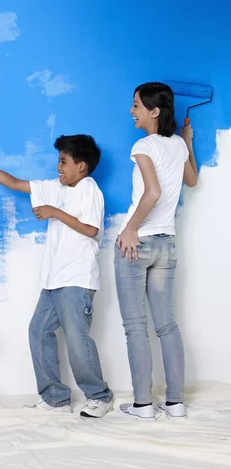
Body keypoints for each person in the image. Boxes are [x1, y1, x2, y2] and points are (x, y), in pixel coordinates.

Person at [0, 135, 113, 417]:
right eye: (58, 161)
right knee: (38, 331)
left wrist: (55, 212)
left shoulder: (89, 189)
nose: (58, 168)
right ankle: (55, 398)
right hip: (53, 280)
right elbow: (15, 182)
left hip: (76, 279)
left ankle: (99, 396)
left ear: (82, 166)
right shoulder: (55, 187)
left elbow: (91, 230)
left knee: (78, 339)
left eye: (64, 162)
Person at [115, 82, 197, 420]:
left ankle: (143, 406)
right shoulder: (178, 144)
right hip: (166, 244)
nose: (131, 111)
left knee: (136, 327)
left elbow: (152, 192)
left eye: (136, 105)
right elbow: (191, 180)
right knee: (167, 326)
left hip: (139, 243)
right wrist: (189, 142)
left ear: (154, 111)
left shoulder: (144, 145)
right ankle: (175, 403)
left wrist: (130, 228)